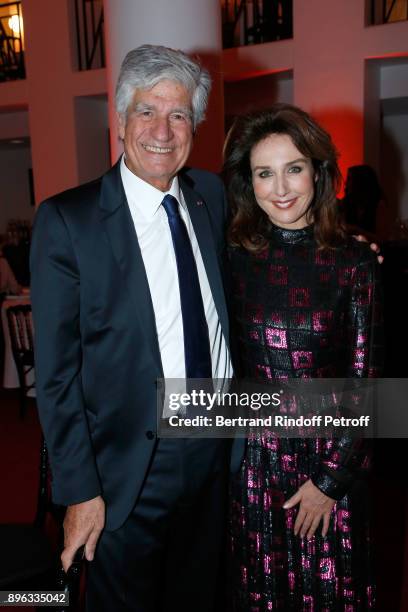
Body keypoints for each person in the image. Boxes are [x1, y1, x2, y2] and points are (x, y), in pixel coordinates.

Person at [30, 44, 240, 612]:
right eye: (146, 111)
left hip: (213, 450)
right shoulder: (67, 221)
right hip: (125, 472)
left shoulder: (210, 198)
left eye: (178, 115)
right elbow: (55, 377)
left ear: (194, 126)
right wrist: (80, 490)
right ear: (120, 120)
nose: (162, 131)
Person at [223, 104, 383, 610]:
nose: (281, 188)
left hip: (331, 459)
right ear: (249, 183)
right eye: (264, 173)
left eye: (294, 168)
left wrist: (332, 481)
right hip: (255, 463)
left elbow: (367, 385)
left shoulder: (355, 260)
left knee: (332, 593)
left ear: (318, 169)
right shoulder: (235, 255)